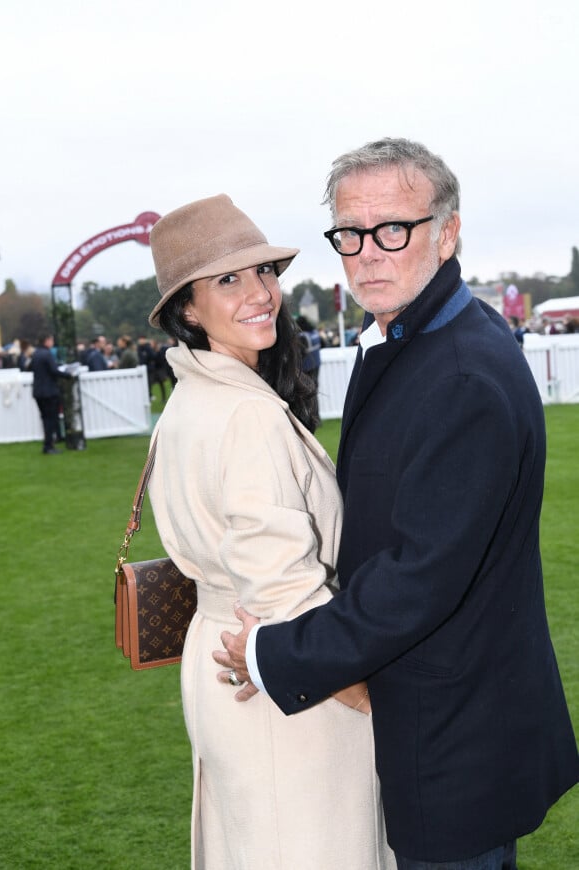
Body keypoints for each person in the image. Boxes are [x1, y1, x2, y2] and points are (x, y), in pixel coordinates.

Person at [214, 138, 579, 869]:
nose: (366, 253)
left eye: (392, 229)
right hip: (445, 715)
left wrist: (272, 653)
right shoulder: (412, 341)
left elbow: (418, 577)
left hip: (454, 733)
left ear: (447, 233)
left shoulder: (462, 371)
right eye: (349, 233)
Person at [145, 194, 393, 870]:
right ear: (187, 310)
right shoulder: (244, 416)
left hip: (227, 664)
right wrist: (369, 697)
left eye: (264, 272)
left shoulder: (193, 400)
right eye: (228, 279)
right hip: (287, 687)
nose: (260, 293)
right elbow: (284, 589)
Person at [29, 334, 72, 454]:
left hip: (38, 391)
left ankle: (48, 444)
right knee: (51, 419)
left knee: (45, 419)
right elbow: (54, 370)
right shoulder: (47, 354)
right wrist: (68, 375)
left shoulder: (36, 353)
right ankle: (49, 446)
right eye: (51, 340)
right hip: (49, 392)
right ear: (47, 341)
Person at [295, 314, 322, 421]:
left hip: (307, 367)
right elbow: (323, 344)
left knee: (307, 393)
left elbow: (301, 353)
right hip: (317, 364)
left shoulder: (302, 336)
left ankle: (311, 417)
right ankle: (317, 416)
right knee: (314, 391)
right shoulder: (314, 333)